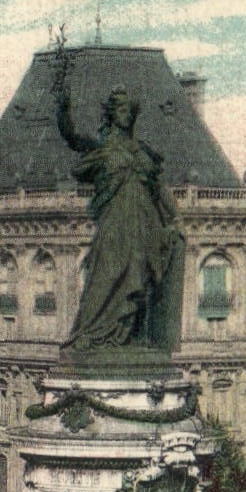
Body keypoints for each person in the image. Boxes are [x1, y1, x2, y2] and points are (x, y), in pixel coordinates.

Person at [53, 53, 184, 354]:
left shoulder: (142, 151)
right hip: (115, 221)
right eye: (121, 110)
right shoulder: (103, 147)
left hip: (145, 223)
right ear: (112, 114)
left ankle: (129, 337)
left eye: (129, 110)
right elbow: (72, 137)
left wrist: (176, 219)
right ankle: (90, 332)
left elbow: (159, 188)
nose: (126, 115)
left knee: (139, 277)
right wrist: (62, 108)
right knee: (107, 272)